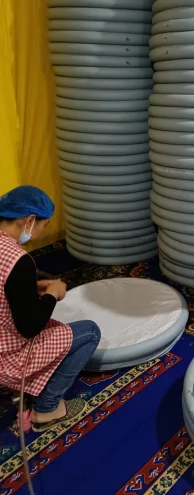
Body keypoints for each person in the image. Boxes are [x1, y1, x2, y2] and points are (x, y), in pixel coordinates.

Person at [0, 185, 101, 432]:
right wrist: (52, 296)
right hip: (6, 357)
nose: (44, 230)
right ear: (30, 220)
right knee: (89, 332)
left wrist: (32, 287)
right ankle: (47, 409)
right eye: (45, 224)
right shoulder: (18, 261)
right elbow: (29, 327)